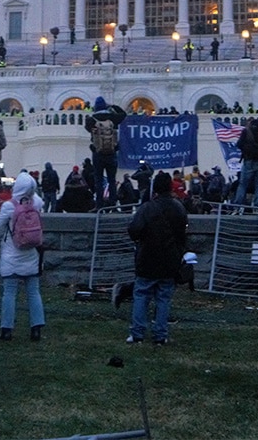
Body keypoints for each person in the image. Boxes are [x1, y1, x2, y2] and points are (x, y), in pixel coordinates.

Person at [126, 171, 188, 345]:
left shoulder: (147, 208)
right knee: (164, 298)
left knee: (141, 295)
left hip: (147, 258)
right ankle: (160, 335)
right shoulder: (179, 208)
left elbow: (134, 230)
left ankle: (137, 333)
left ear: (155, 189)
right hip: (170, 260)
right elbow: (183, 234)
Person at [0, 172, 45, 341]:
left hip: (12, 253)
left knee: (9, 292)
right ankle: (36, 328)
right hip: (31, 253)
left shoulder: (9, 206)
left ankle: (6, 329)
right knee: (33, 292)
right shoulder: (36, 203)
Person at [85, 97, 125, 207]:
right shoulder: (112, 118)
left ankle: (99, 205)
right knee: (112, 181)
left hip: (97, 154)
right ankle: (112, 205)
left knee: (98, 181)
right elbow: (123, 114)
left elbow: (87, 128)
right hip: (112, 153)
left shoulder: (92, 119)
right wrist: (111, 106)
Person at [233, 117, 258, 209]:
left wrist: (246, 149)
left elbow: (239, 144)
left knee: (243, 184)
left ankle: (237, 206)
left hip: (249, 160)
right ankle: (257, 207)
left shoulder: (246, 131)